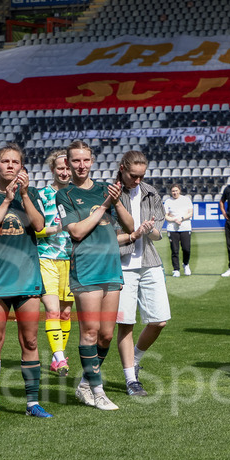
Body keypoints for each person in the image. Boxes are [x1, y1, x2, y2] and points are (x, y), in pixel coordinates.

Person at [0, 143, 52, 421]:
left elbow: (40, 225)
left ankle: (32, 403)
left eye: (15, 162)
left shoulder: (31, 194)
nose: (10, 165)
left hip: (27, 277)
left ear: (22, 167)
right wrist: (7, 200)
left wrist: (22, 195)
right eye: (5, 161)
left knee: (30, 340)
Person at [56, 140, 134, 411]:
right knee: (89, 332)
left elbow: (130, 226)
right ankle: (98, 391)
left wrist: (117, 200)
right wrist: (103, 206)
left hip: (111, 266)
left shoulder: (105, 189)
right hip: (86, 268)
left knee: (107, 335)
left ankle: (86, 384)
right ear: (68, 163)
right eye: (75, 160)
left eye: (85, 160)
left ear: (92, 161)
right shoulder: (64, 195)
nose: (81, 165)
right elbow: (76, 232)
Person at [113, 150, 168, 397]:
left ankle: (134, 360)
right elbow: (108, 235)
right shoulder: (110, 193)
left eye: (141, 176)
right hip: (121, 264)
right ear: (122, 168)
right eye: (133, 176)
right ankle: (130, 379)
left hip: (149, 261)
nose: (137, 181)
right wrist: (135, 232)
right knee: (126, 323)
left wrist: (149, 230)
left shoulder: (151, 192)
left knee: (159, 320)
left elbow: (159, 233)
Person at [36, 149, 74, 376]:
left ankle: (55, 355)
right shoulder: (42, 195)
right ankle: (60, 358)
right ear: (52, 170)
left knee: (66, 314)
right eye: (60, 167)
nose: (65, 172)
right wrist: (57, 228)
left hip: (72, 259)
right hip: (46, 257)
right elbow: (35, 229)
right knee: (52, 310)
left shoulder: (76, 194)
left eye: (68, 167)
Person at [162, 184, 193, 276]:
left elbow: (190, 213)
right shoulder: (168, 201)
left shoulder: (186, 200)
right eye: (173, 191)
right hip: (172, 229)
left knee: (186, 249)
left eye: (176, 191)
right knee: (174, 250)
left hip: (185, 227)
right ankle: (176, 269)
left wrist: (181, 218)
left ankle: (186, 264)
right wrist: (174, 219)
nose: (175, 193)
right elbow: (166, 216)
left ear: (179, 191)